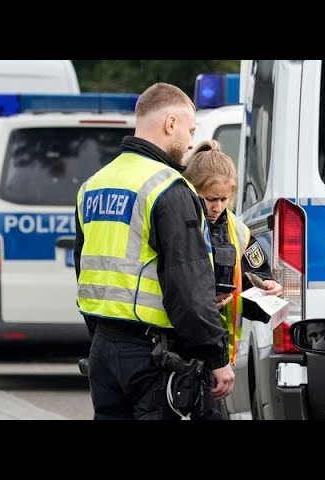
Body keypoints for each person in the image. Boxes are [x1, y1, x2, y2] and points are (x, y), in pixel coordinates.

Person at [74, 83, 234, 420]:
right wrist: (216, 357)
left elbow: (84, 271)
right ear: (170, 124)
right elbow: (187, 286)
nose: (191, 142)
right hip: (154, 355)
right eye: (190, 130)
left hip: (104, 349)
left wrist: (102, 338)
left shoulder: (93, 185)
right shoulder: (169, 188)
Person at [183, 139, 283, 367]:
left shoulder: (239, 232)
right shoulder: (179, 225)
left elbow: (254, 281)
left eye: (223, 199)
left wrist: (269, 289)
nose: (217, 207)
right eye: (210, 199)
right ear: (191, 189)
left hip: (221, 357)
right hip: (181, 353)